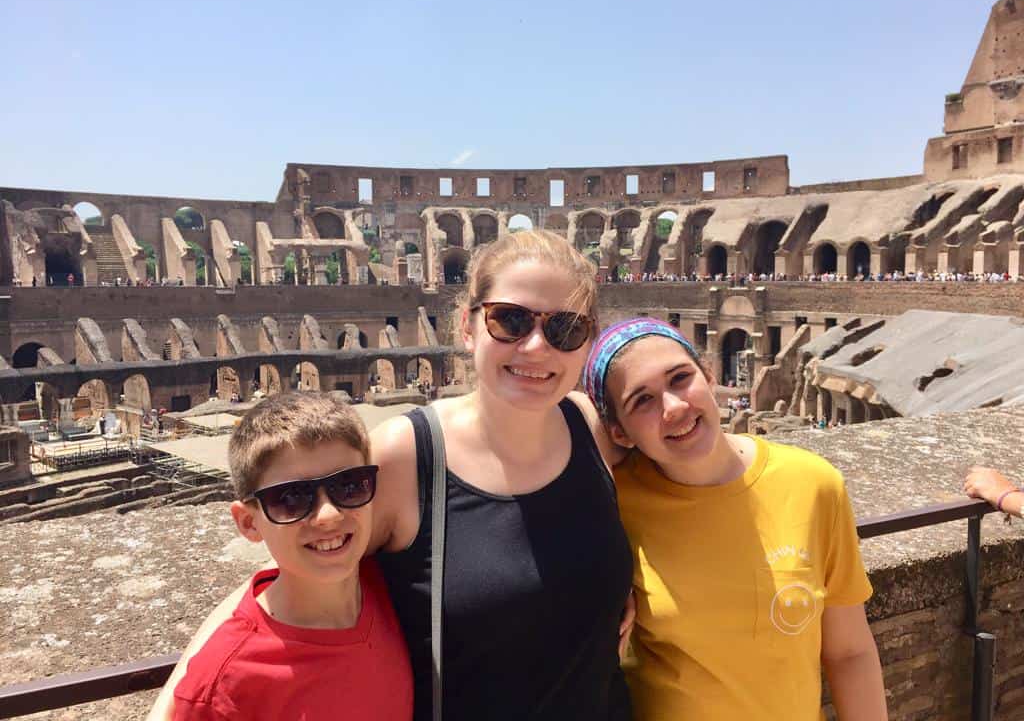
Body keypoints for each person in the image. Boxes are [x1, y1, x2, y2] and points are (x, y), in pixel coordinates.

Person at [149, 230, 634, 721]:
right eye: (510, 319)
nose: (536, 347)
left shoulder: (592, 427)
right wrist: (177, 703)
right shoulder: (407, 456)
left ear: (587, 341)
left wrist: (632, 589)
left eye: (566, 329)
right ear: (469, 327)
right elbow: (292, 567)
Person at [583, 317, 887, 720]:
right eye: (642, 400)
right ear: (619, 432)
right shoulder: (612, 505)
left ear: (708, 376)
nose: (673, 407)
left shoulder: (812, 483)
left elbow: (849, 652)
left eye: (679, 378)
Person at [172, 392, 412, 720]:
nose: (328, 514)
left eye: (350, 486)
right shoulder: (227, 684)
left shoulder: (395, 587)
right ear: (248, 523)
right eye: (291, 498)